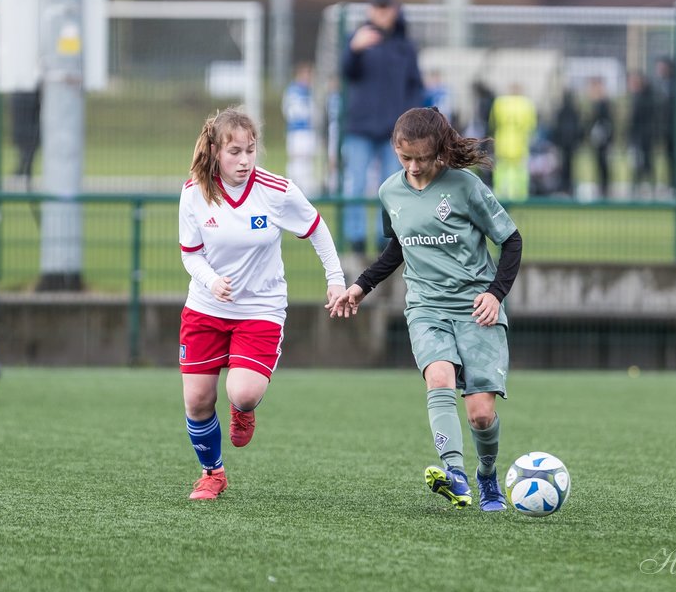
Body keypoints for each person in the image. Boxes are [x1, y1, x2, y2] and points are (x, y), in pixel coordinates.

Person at [328, 107, 523, 512]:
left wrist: (495, 293)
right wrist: (362, 286)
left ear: (440, 151)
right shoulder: (389, 192)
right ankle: (455, 473)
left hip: (476, 308)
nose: (414, 167)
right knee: (438, 377)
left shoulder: (466, 187)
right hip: (426, 307)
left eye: (422, 158)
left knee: (481, 415)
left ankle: (486, 475)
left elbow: (512, 240)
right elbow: (397, 246)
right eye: (405, 158)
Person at [178, 108, 346, 501]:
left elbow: (316, 229)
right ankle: (212, 474)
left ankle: (243, 409)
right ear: (216, 151)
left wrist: (335, 280)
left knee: (244, 392)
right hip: (205, 307)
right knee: (198, 400)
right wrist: (212, 281)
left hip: (260, 310)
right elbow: (190, 254)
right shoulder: (194, 192)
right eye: (235, 151)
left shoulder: (276, 190)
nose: (244, 160)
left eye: (251, 150)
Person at [339, 0, 425, 256]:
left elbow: (415, 87)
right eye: (377, 8)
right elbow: (345, 71)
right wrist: (354, 49)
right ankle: (355, 237)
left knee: (391, 186)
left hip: (393, 132)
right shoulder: (359, 39)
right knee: (355, 184)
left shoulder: (404, 47)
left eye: (387, 8)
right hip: (360, 127)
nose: (382, 13)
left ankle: (383, 237)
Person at [488, 84, 536, 202]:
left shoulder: (499, 103)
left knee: (501, 170)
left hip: (503, 141)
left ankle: (501, 193)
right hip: (520, 142)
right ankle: (519, 196)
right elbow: (531, 126)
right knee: (520, 170)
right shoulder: (527, 104)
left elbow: (492, 123)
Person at [282, 62, 318, 195]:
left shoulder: (309, 91)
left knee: (307, 160)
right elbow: (291, 112)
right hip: (297, 131)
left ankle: (306, 188)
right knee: (297, 160)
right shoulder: (294, 91)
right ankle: (293, 186)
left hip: (308, 131)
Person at [625, 70, 657, 195]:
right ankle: (638, 184)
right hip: (638, 135)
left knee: (645, 160)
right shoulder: (637, 97)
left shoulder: (646, 97)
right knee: (638, 161)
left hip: (644, 135)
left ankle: (646, 185)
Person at [652, 57, 676, 196]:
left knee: (675, 158)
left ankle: (675, 184)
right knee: (667, 157)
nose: (659, 70)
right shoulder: (660, 85)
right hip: (663, 128)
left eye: (662, 67)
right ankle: (668, 183)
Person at [549, 88, 583, 197]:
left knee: (566, 165)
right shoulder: (573, 111)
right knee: (567, 165)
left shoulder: (564, 111)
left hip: (566, 142)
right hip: (568, 142)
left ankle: (566, 186)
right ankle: (566, 186)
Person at [587, 77, 615, 199]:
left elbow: (607, 122)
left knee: (604, 163)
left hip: (604, 138)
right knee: (599, 163)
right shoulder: (595, 103)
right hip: (597, 138)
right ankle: (601, 187)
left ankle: (605, 188)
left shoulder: (604, 103)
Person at [10, 85, 41, 186]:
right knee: (27, 152)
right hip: (30, 129)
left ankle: (23, 171)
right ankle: (25, 171)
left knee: (26, 152)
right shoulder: (32, 95)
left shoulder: (17, 96)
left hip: (25, 129)